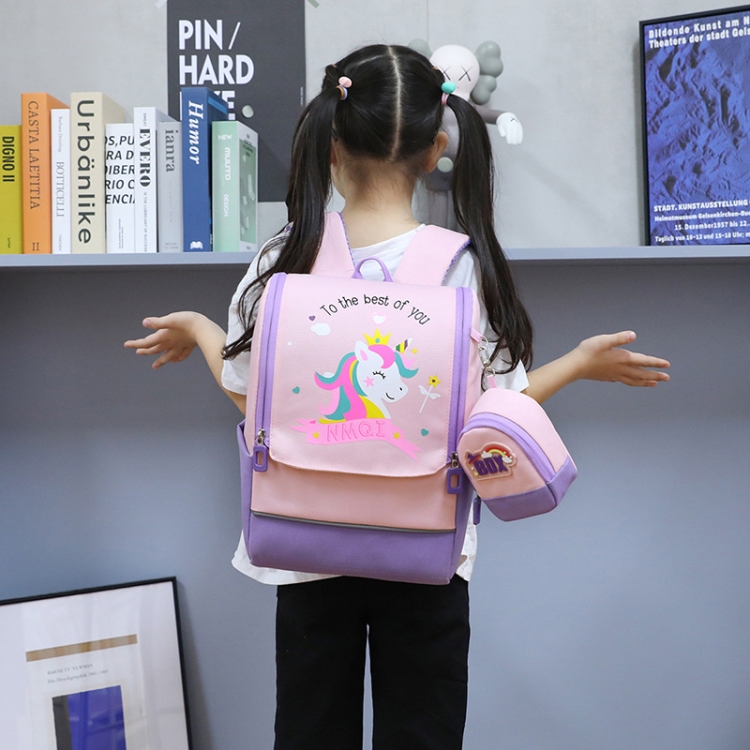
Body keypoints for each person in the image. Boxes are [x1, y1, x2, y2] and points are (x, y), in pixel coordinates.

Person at [125, 44, 669, 750]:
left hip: (305, 542)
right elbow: (491, 420)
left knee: (311, 732)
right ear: (436, 149)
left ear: (330, 144)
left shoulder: (284, 257)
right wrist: (577, 365)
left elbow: (252, 408)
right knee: (423, 731)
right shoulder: (463, 267)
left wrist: (202, 329)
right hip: (426, 549)